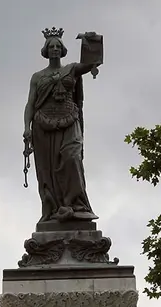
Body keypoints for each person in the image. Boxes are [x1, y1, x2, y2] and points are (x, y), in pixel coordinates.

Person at [23, 28, 101, 224]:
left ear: (63, 49)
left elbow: (90, 64)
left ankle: (76, 205)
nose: (55, 49)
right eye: (52, 47)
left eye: (58, 46)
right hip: (43, 126)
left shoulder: (72, 69)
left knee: (71, 158)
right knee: (47, 171)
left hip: (69, 123)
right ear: (46, 51)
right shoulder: (37, 77)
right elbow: (30, 104)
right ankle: (55, 209)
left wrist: (91, 42)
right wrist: (26, 127)